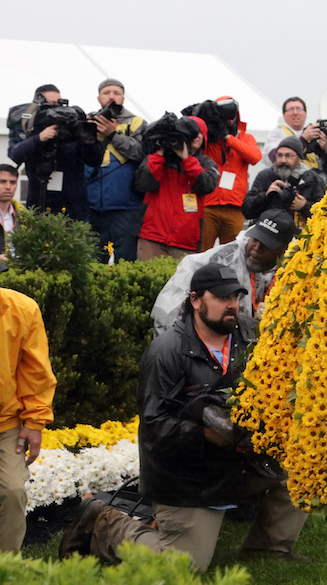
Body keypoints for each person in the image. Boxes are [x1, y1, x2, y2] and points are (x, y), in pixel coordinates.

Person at [61, 263, 308, 570]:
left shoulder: (248, 339)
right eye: (220, 297)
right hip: (188, 479)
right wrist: (204, 434)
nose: (231, 304)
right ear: (195, 300)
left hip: (240, 463)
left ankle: (269, 548)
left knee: (304, 467)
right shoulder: (167, 352)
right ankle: (104, 521)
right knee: (184, 567)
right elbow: (154, 428)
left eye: (235, 296)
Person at [151, 210, 298, 337]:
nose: (256, 248)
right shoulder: (222, 260)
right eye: (255, 239)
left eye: (267, 245)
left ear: (284, 250)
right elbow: (169, 314)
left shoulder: (295, 269)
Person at [0, 288, 56, 552]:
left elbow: (35, 370)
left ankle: (7, 569)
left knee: (12, 492)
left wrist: (34, 422)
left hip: (5, 422)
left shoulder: (22, 308)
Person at [6, 85, 103, 222]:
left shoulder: (72, 124)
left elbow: (94, 160)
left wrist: (88, 139)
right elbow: (15, 155)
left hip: (74, 206)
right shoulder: (28, 126)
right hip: (39, 201)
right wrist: (39, 138)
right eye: (51, 105)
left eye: (59, 104)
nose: (56, 109)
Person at [135, 115, 219, 261]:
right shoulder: (157, 158)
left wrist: (187, 160)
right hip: (153, 237)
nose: (197, 136)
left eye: (200, 133)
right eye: (193, 133)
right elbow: (144, 184)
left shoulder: (206, 163)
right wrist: (160, 152)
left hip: (186, 242)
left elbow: (207, 185)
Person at [84, 79, 146, 262]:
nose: (111, 96)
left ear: (123, 98)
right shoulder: (87, 122)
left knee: (126, 260)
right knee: (92, 260)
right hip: (92, 205)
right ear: (98, 98)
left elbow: (141, 152)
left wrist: (112, 135)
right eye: (107, 92)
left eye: (116, 93)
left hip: (126, 206)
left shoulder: (136, 122)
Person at [194, 97, 262, 251]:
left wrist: (227, 137)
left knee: (233, 256)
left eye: (232, 115)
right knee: (200, 253)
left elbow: (255, 157)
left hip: (235, 207)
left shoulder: (246, 138)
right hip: (208, 205)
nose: (229, 120)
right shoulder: (209, 139)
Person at [241, 137, 327, 224]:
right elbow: (247, 211)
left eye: (288, 155)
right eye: (279, 155)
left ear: (300, 159)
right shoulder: (265, 176)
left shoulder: (313, 180)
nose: (283, 160)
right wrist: (266, 196)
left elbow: (324, 214)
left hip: (299, 233)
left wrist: (304, 206)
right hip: (265, 231)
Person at [0, 165, 22, 262]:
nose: (8, 187)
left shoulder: (23, 216)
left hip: (18, 272)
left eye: (12, 182)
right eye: (2, 182)